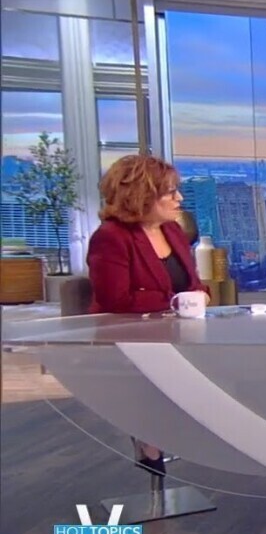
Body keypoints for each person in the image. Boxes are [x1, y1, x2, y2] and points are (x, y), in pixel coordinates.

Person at [87, 154, 210, 476]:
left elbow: (193, 283)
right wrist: (177, 302)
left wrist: (199, 295)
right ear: (141, 195)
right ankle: (149, 439)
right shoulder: (111, 237)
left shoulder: (172, 231)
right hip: (127, 338)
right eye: (170, 192)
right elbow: (115, 300)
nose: (179, 198)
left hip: (173, 334)